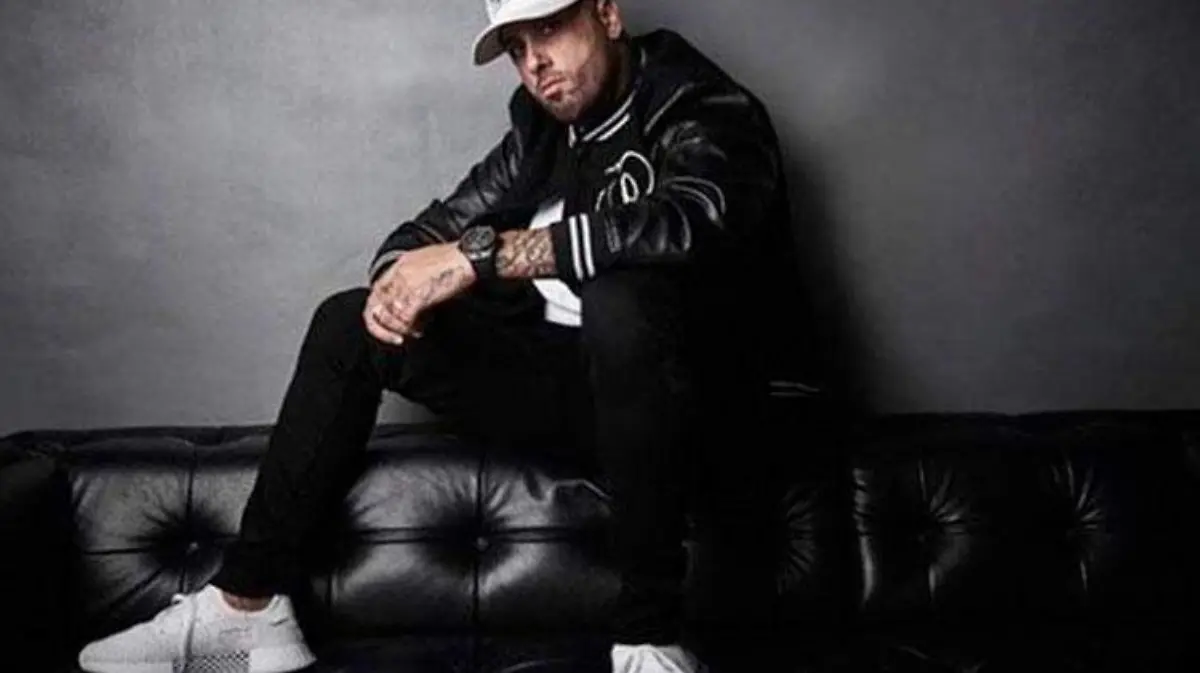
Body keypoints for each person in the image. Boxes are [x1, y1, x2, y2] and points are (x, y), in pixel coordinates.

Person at [78, 0, 799, 671]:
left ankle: (649, 638)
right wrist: (402, 281)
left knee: (622, 293)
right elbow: (427, 235)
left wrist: (481, 258)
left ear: (606, 13)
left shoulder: (701, 103)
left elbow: (694, 218)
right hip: (581, 401)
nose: (535, 63)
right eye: (516, 47)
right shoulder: (541, 128)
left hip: (697, 411)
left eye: (549, 29)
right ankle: (247, 606)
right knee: (348, 321)